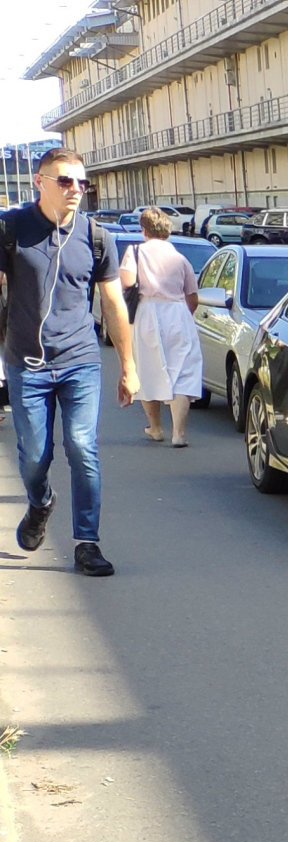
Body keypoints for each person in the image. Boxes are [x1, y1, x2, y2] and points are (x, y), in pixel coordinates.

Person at [1, 148, 137, 578]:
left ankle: (86, 543)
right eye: (65, 181)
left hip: (80, 360)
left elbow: (114, 304)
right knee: (34, 458)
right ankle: (41, 503)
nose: (76, 189)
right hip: (27, 363)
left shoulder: (97, 236)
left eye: (82, 182)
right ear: (38, 183)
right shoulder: (12, 229)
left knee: (82, 447)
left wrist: (129, 367)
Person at [120, 207, 201, 447]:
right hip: (178, 312)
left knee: (148, 368)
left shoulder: (136, 252)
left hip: (147, 312)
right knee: (183, 370)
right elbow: (193, 296)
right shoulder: (180, 257)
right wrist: (184, 314)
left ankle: (156, 428)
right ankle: (179, 433)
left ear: (143, 230)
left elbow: (125, 282)